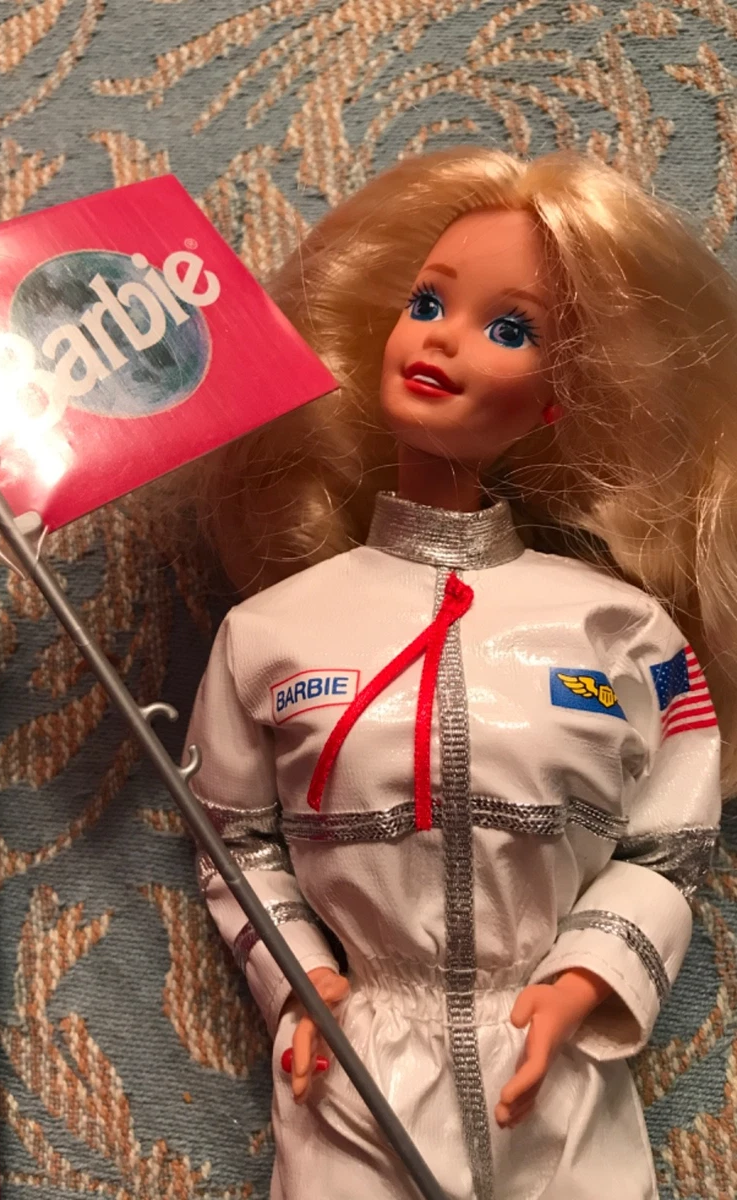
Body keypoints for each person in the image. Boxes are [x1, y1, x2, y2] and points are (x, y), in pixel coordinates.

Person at [180, 148, 732, 1200]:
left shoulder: (622, 632)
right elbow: (232, 842)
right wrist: (300, 981)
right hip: (354, 1076)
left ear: (560, 397)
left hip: (556, 1075)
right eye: (426, 302)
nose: (439, 337)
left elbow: (669, 844)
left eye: (510, 328)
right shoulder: (270, 632)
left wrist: (585, 977)